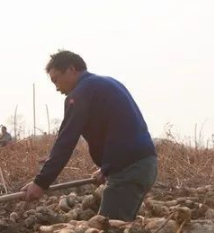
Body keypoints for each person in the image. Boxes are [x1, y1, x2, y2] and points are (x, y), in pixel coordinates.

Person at [21, 50, 157, 221]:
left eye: (56, 80)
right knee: (122, 226)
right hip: (144, 165)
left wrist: (41, 183)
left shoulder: (81, 93)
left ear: (71, 69)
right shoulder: (105, 83)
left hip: (129, 171)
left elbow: (66, 141)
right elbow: (119, 130)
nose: (56, 88)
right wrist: (108, 168)